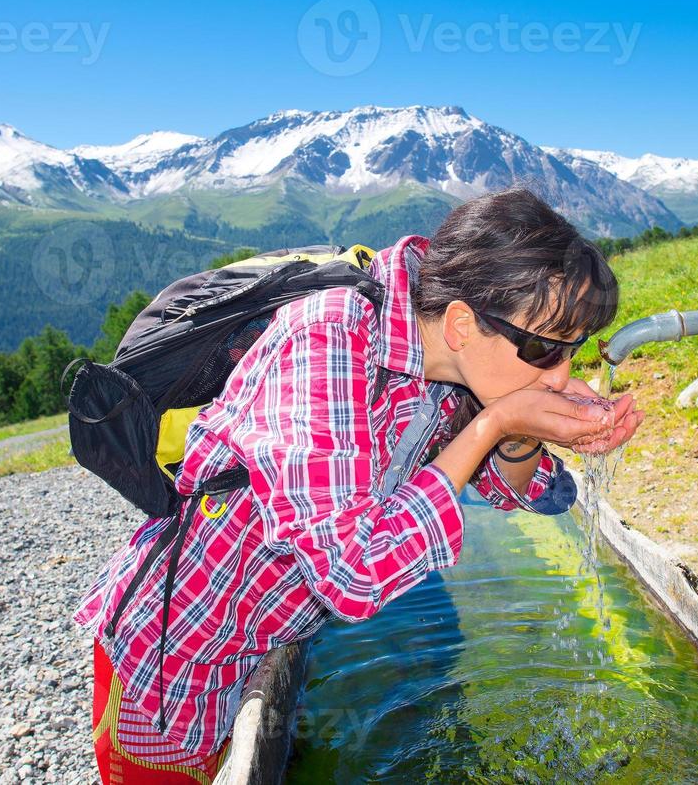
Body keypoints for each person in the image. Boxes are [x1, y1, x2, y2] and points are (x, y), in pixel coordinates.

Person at [73, 187, 644, 783]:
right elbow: (354, 568)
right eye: (544, 348)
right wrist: (495, 422)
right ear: (461, 323)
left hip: (258, 640)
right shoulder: (326, 341)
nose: (562, 373)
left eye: (572, 350)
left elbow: (513, 491)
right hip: (176, 658)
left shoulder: (450, 362)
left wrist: (522, 430)